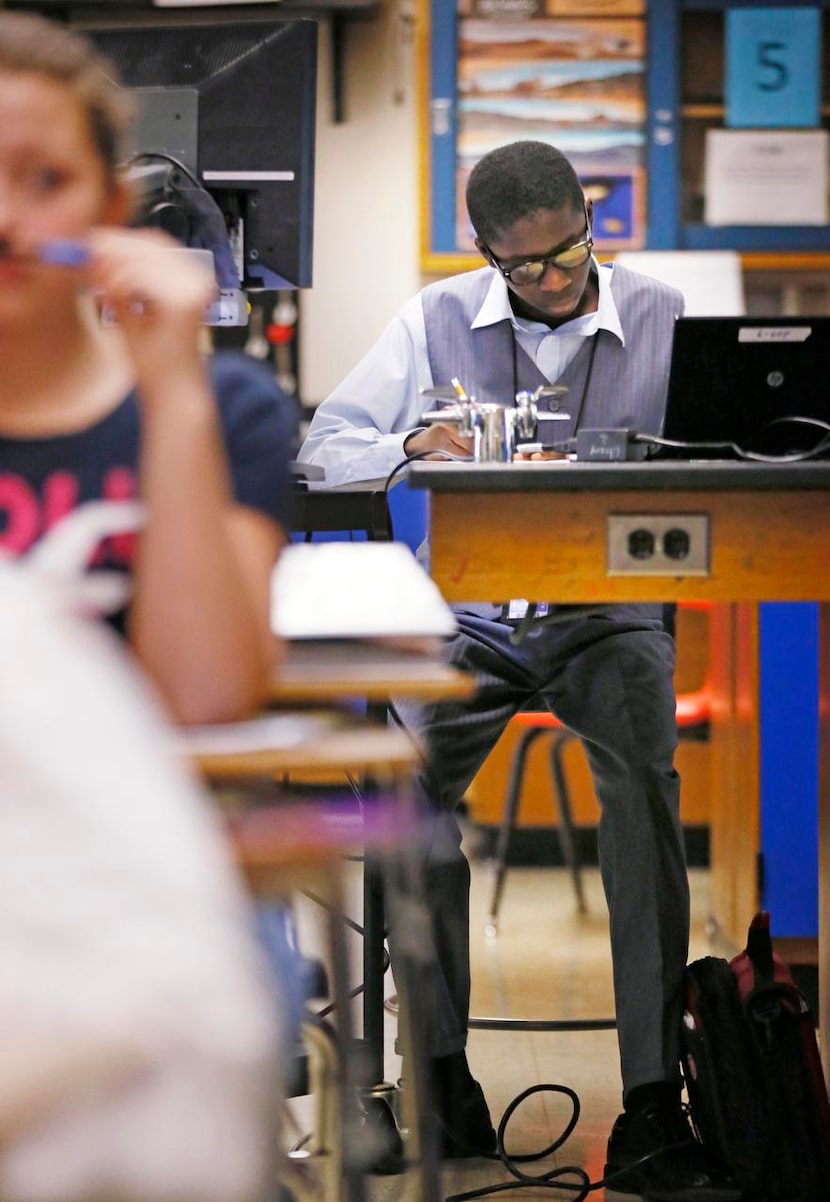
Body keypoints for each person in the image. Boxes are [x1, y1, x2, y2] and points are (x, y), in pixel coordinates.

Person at [299, 140, 737, 1200]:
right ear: (487, 251)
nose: (550, 280)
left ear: (591, 224)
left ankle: (646, 1102)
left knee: (640, 785)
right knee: (401, 802)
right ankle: (439, 1076)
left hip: (606, 613)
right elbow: (325, 444)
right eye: (524, 265)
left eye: (567, 254)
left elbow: (742, 445)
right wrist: (412, 443)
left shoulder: (664, 313)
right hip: (470, 617)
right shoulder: (435, 317)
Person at [0, 11, 295, 727]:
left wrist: (172, 391)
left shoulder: (227, 409)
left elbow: (203, 697)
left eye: (46, 179)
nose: (6, 218)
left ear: (110, 205)